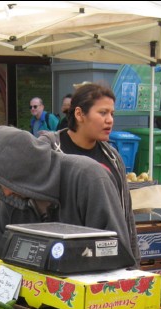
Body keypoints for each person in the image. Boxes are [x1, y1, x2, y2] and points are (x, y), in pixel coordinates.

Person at [0, 125, 136, 264]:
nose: (6, 192)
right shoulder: (8, 203)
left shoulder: (88, 178)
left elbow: (117, 252)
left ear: (23, 170)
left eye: (7, 183)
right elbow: (3, 263)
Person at [38, 83, 140, 265]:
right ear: (79, 114)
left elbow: (126, 214)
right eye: (102, 113)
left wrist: (133, 264)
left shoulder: (113, 157)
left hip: (106, 261)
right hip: (61, 261)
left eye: (112, 114)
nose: (110, 120)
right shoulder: (51, 150)